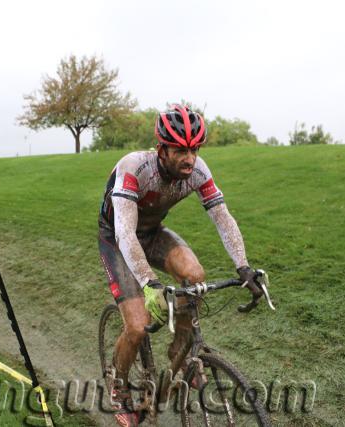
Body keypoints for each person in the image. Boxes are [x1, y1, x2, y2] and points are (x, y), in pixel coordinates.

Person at [98, 104, 262, 426]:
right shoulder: (134, 168)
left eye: (194, 149)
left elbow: (222, 218)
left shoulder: (198, 171)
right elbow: (125, 233)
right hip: (118, 239)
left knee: (195, 277)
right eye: (180, 150)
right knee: (136, 325)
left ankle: (182, 354)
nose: (189, 158)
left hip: (153, 233)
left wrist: (243, 266)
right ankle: (118, 388)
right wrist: (149, 283)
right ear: (162, 149)